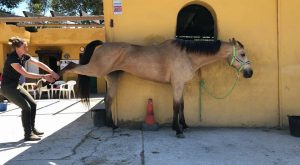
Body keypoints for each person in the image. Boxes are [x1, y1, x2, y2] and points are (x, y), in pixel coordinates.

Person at [0, 37, 60, 141]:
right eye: (25, 46)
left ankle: (32, 129)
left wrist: (51, 71)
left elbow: (38, 63)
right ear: (18, 48)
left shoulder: (23, 56)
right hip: (7, 88)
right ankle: (28, 134)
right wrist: (44, 76)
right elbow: (25, 73)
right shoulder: (13, 59)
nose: (27, 47)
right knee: (26, 107)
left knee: (33, 104)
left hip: (16, 85)